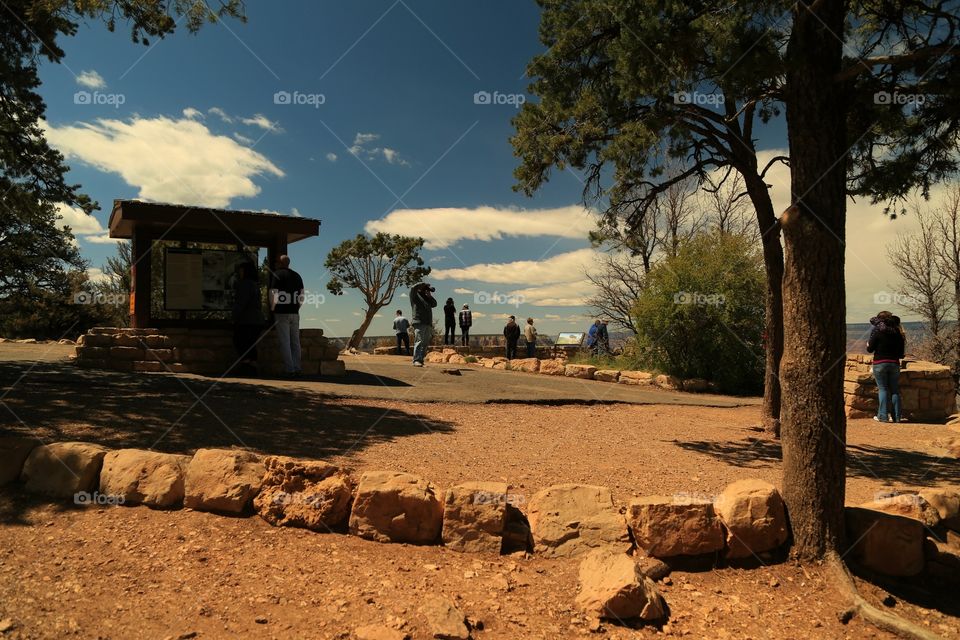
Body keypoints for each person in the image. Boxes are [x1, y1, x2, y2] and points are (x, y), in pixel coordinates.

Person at [867, 311, 906, 423]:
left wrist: (868, 345)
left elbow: (870, 349)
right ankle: (897, 417)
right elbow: (901, 353)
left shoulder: (878, 332)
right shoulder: (898, 333)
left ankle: (883, 416)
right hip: (894, 363)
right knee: (895, 390)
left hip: (880, 362)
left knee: (883, 389)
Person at [268, 254, 304, 377]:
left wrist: (272, 308)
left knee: (285, 342)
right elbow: (302, 295)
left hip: (281, 312)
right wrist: (297, 307)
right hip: (295, 313)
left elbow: (274, 293)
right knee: (295, 342)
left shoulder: (277, 274)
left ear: (280, 263)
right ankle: (297, 367)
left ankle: (290, 370)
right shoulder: (297, 276)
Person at [232, 261, 263, 376]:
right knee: (250, 344)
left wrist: (234, 316)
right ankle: (252, 367)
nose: (239, 272)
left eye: (241, 270)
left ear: (245, 271)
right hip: (257, 320)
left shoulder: (245, 284)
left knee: (240, 341)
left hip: (247, 320)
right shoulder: (255, 284)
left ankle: (246, 368)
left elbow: (241, 303)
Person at [410, 282, 437, 366]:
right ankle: (416, 360)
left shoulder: (426, 297)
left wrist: (429, 295)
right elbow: (412, 288)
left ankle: (421, 360)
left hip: (427, 323)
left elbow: (434, 304)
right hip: (419, 322)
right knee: (419, 341)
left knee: (425, 343)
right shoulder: (415, 296)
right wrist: (423, 284)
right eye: (424, 288)